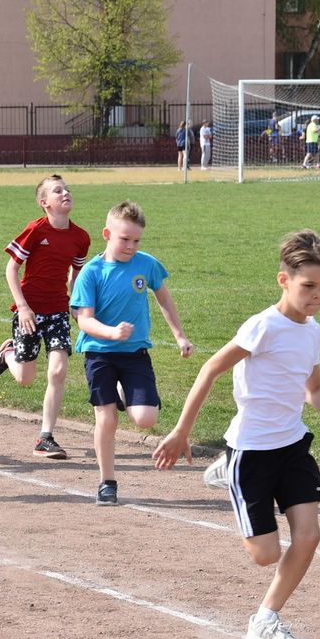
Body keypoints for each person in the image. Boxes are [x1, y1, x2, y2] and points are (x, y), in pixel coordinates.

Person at [153, 230, 320, 639]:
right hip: (251, 450)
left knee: (308, 536)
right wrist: (181, 431)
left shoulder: (313, 332)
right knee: (266, 555)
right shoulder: (262, 326)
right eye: (308, 286)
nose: (318, 295)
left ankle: (265, 619)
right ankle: (225, 470)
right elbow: (210, 371)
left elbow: (315, 391)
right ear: (283, 281)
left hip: (291, 446)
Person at [71, 201, 193, 505]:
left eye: (136, 240)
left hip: (135, 352)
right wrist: (111, 332)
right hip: (99, 352)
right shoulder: (91, 272)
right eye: (124, 239)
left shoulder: (146, 264)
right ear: (107, 234)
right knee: (107, 419)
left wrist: (179, 335)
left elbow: (164, 298)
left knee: (146, 418)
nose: (131, 246)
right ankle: (107, 482)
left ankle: (125, 392)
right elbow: (83, 319)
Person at [0, 174, 91, 459]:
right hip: (29, 311)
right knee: (25, 378)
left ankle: (46, 437)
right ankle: (8, 353)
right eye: (58, 191)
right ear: (45, 203)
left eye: (67, 188)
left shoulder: (81, 238)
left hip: (58, 309)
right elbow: (11, 269)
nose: (66, 192)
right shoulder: (36, 230)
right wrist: (22, 307)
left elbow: (76, 272)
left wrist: (76, 302)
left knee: (58, 371)